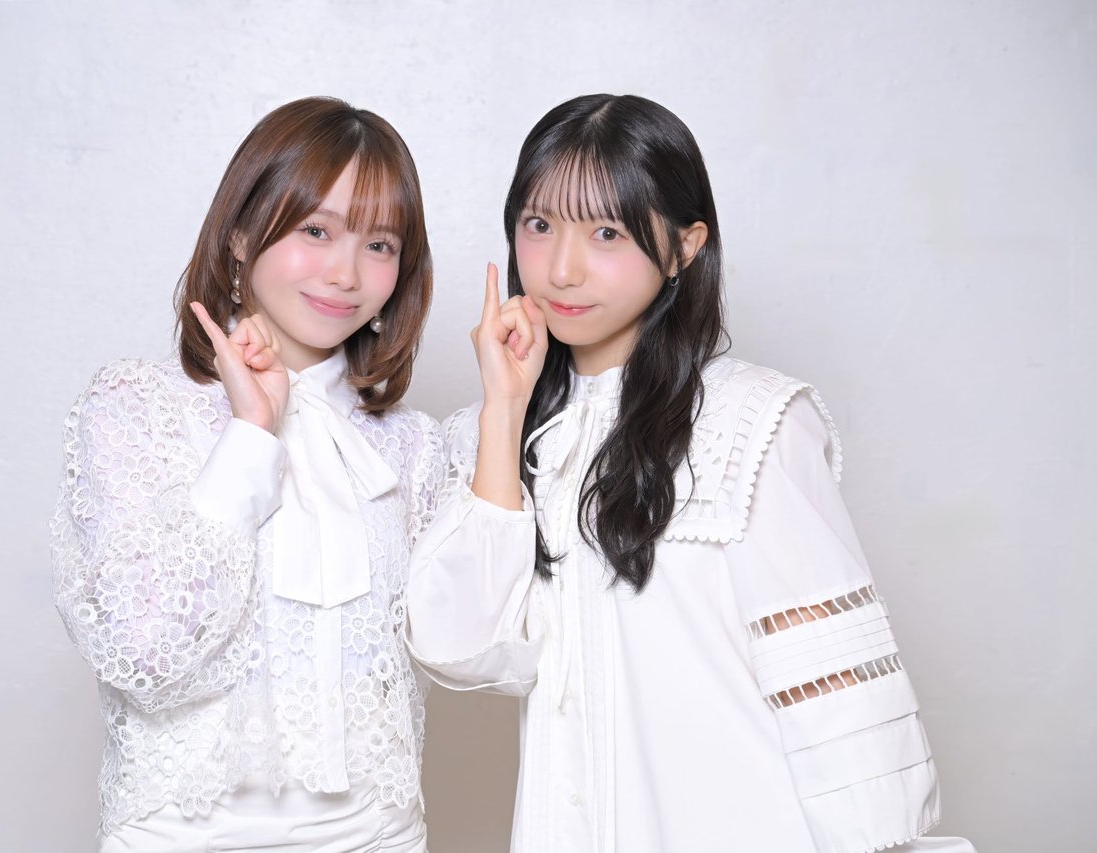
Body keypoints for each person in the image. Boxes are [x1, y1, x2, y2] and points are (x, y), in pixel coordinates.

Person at [405, 94, 976, 853]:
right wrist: (504, 412)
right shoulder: (502, 439)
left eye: (606, 232)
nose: (561, 268)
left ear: (683, 246)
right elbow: (464, 648)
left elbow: (838, 699)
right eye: (539, 225)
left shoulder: (753, 421)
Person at [51, 96, 442, 852]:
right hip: (182, 837)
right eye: (315, 231)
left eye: (379, 244)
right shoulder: (137, 408)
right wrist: (250, 435)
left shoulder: (410, 448)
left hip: (378, 837)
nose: (345, 273)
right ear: (240, 234)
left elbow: (471, 652)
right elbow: (141, 649)